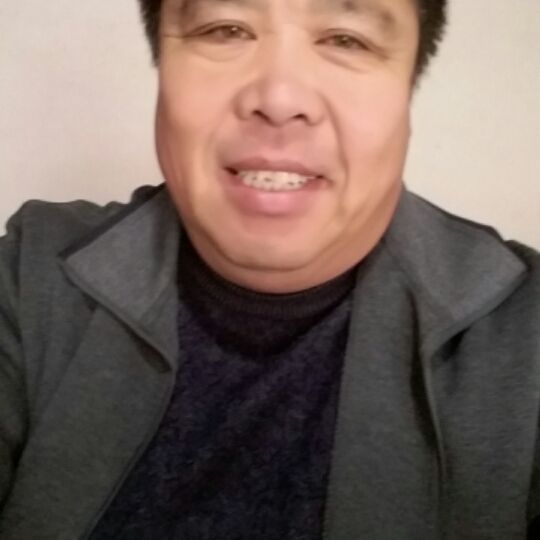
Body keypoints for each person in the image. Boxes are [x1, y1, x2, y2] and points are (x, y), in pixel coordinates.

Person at [0, 0, 539, 538]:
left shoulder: (524, 330)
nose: (280, 100)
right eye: (225, 29)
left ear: (407, 86)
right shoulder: (31, 278)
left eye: (346, 39)